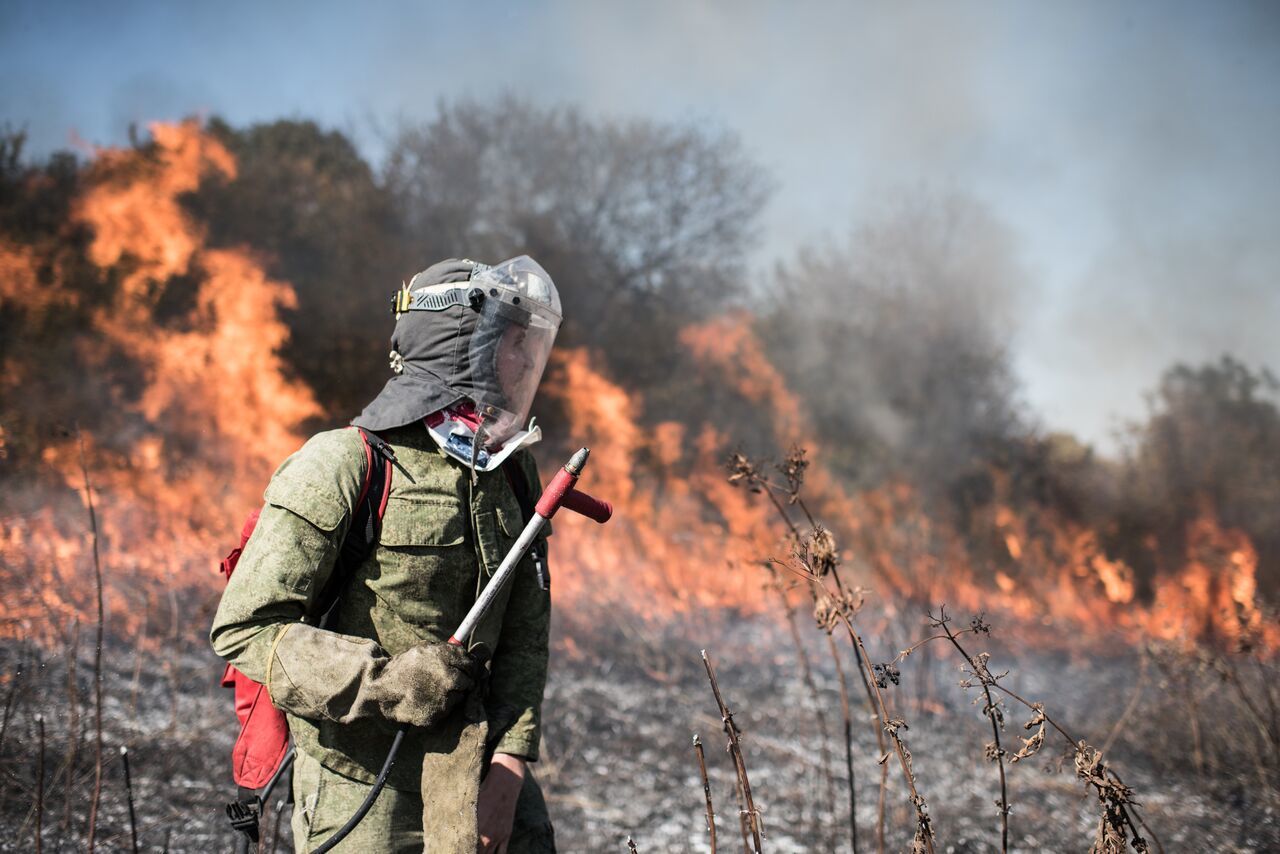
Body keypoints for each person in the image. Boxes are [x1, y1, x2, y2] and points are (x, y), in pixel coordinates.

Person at [211, 256, 562, 853]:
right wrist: (383, 682)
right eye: (512, 341)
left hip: (484, 783)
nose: (527, 360)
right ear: (464, 347)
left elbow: (525, 632)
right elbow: (247, 628)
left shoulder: (514, 472)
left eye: (531, 342)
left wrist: (510, 760)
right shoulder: (343, 464)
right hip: (362, 790)